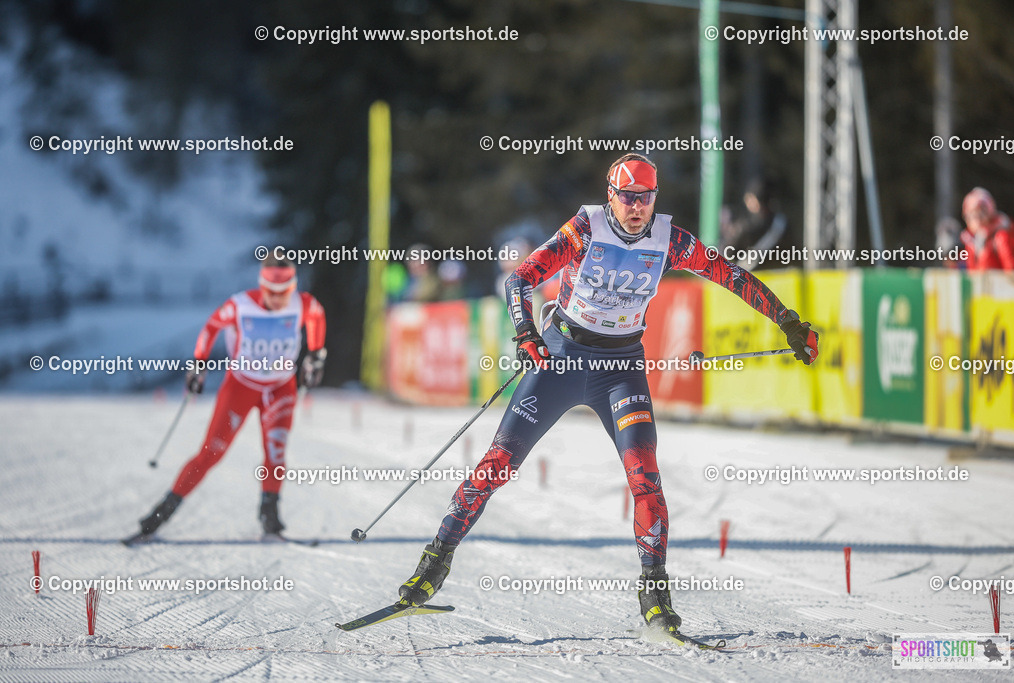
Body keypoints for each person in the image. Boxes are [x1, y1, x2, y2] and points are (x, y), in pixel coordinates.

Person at [395, 154, 818, 635]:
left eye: (646, 198)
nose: (637, 207)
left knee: (645, 478)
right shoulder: (584, 228)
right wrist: (525, 332)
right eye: (628, 197)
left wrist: (787, 320)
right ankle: (433, 565)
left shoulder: (670, 240)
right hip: (561, 358)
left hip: (620, 369)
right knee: (498, 464)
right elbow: (521, 278)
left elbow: (731, 276)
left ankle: (655, 596)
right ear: (611, 196)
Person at [130, 255, 327, 540]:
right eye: (272, 293)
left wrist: (316, 356)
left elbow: (318, 317)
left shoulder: (303, 303)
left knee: (275, 453)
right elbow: (211, 327)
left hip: (280, 388)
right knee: (212, 452)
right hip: (241, 387)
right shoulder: (241, 305)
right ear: (261, 286)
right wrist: (199, 363)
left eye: (285, 293)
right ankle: (163, 510)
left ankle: (269, 515)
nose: (279, 300)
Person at [719, 177, 794, 271]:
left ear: (756, 200)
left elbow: (726, 252)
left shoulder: (745, 227)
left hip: (750, 281)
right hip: (782, 280)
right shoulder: (783, 224)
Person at [960, 187, 1014, 271]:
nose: (975, 218)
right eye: (970, 214)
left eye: (979, 213)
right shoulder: (971, 241)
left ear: (989, 212)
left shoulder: (1002, 237)